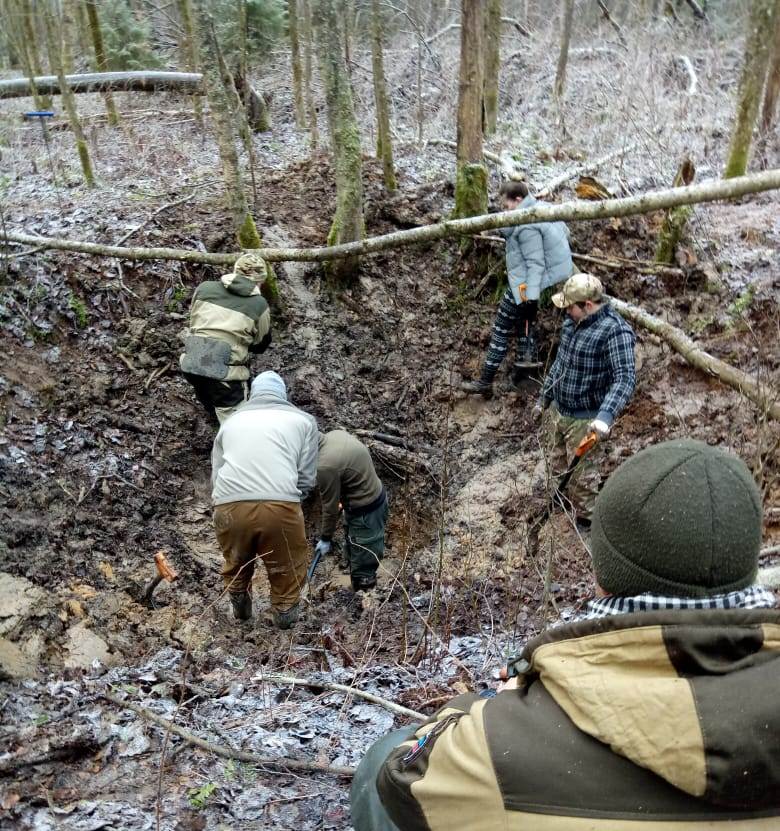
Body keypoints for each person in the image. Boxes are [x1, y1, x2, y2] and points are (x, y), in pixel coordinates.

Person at [351, 439, 779, 830]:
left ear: (604, 573)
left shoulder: (495, 748)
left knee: (377, 763)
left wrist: (492, 703)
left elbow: (400, 779)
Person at [211, 371, 318, 629]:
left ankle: (239, 605)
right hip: (280, 504)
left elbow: (216, 472)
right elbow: (305, 476)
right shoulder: (303, 421)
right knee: (288, 567)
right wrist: (290, 501)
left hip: (229, 505)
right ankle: (284, 619)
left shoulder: (230, 421)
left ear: (253, 394)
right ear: (283, 394)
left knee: (236, 561)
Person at [533, 272, 636, 525]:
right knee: (555, 466)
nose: (566, 311)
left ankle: (588, 523)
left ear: (588, 305)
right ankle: (560, 501)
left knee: (583, 479)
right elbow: (559, 364)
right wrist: (543, 399)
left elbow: (624, 378)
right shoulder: (571, 323)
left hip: (585, 419)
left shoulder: (615, 332)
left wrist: (604, 417)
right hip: (558, 411)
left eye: (570, 307)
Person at [462, 180, 573, 397]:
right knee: (525, 324)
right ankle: (526, 378)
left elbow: (535, 263)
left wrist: (529, 297)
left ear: (518, 201)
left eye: (506, 206)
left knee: (501, 329)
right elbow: (564, 233)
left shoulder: (525, 226)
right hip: (538, 281)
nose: (505, 211)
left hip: (526, 283)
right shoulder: (539, 208)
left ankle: (485, 381)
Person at [180, 253, 272, 425]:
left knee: (206, 390)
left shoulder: (204, 288)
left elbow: (194, 322)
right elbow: (260, 345)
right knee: (237, 424)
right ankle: (226, 435)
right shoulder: (260, 305)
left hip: (192, 363)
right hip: (223, 375)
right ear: (261, 281)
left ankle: (213, 415)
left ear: (235, 271)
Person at [315, 430, 388, 593]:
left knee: (364, 570)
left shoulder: (325, 465)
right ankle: (353, 569)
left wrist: (325, 538)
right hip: (371, 498)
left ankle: (364, 602)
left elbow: (330, 508)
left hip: (366, 514)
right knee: (353, 544)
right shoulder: (335, 434)